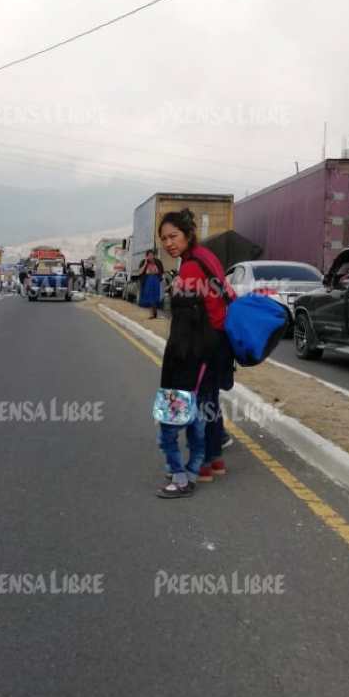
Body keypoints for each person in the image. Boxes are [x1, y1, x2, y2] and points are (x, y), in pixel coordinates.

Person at [155, 209, 235, 498]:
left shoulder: (189, 267)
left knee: (194, 406)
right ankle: (215, 461)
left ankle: (196, 468)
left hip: (201, 344)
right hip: (220, 341)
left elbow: (185, 324)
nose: (168, 243)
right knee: (209, 402)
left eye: (173, 236)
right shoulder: (207, 255)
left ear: (188, 234)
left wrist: (176, 362)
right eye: (163, 238)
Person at [135, 249, 165, 319]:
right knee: (149, 297)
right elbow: (140, 272)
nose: (151, 257)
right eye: (149, 255)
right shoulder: (143, 262)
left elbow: (161, 272)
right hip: (148, 281)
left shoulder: (158, 262)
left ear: (154, 255)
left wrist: (162, 280)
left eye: (152, 255)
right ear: (146, 256)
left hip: (156, 281)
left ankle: (155, 313)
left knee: (156, 297)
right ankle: (152, 314)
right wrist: (145, 264)